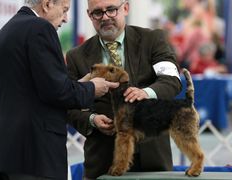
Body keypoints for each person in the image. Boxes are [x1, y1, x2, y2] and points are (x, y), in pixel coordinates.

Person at [0, 0, 118, 179]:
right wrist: (92, 88)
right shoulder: (40, 28)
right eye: (64, 10)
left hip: (11, 155)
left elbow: (40, 87)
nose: (66, 18)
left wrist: (79, 84)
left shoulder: (8, 30)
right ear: (47, 4)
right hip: (37, 156)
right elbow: (58, 92)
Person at [66, 0, 182, 179]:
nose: (105, 17)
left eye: (111, 10)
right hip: (103, 161)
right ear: (89, 16)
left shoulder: (152, 39)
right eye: (97, 13)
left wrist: (146, 93)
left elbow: (171, 80)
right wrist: (91, 119)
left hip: (153, 158)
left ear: (126, 8)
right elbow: (70, 106)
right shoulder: (76, 56)